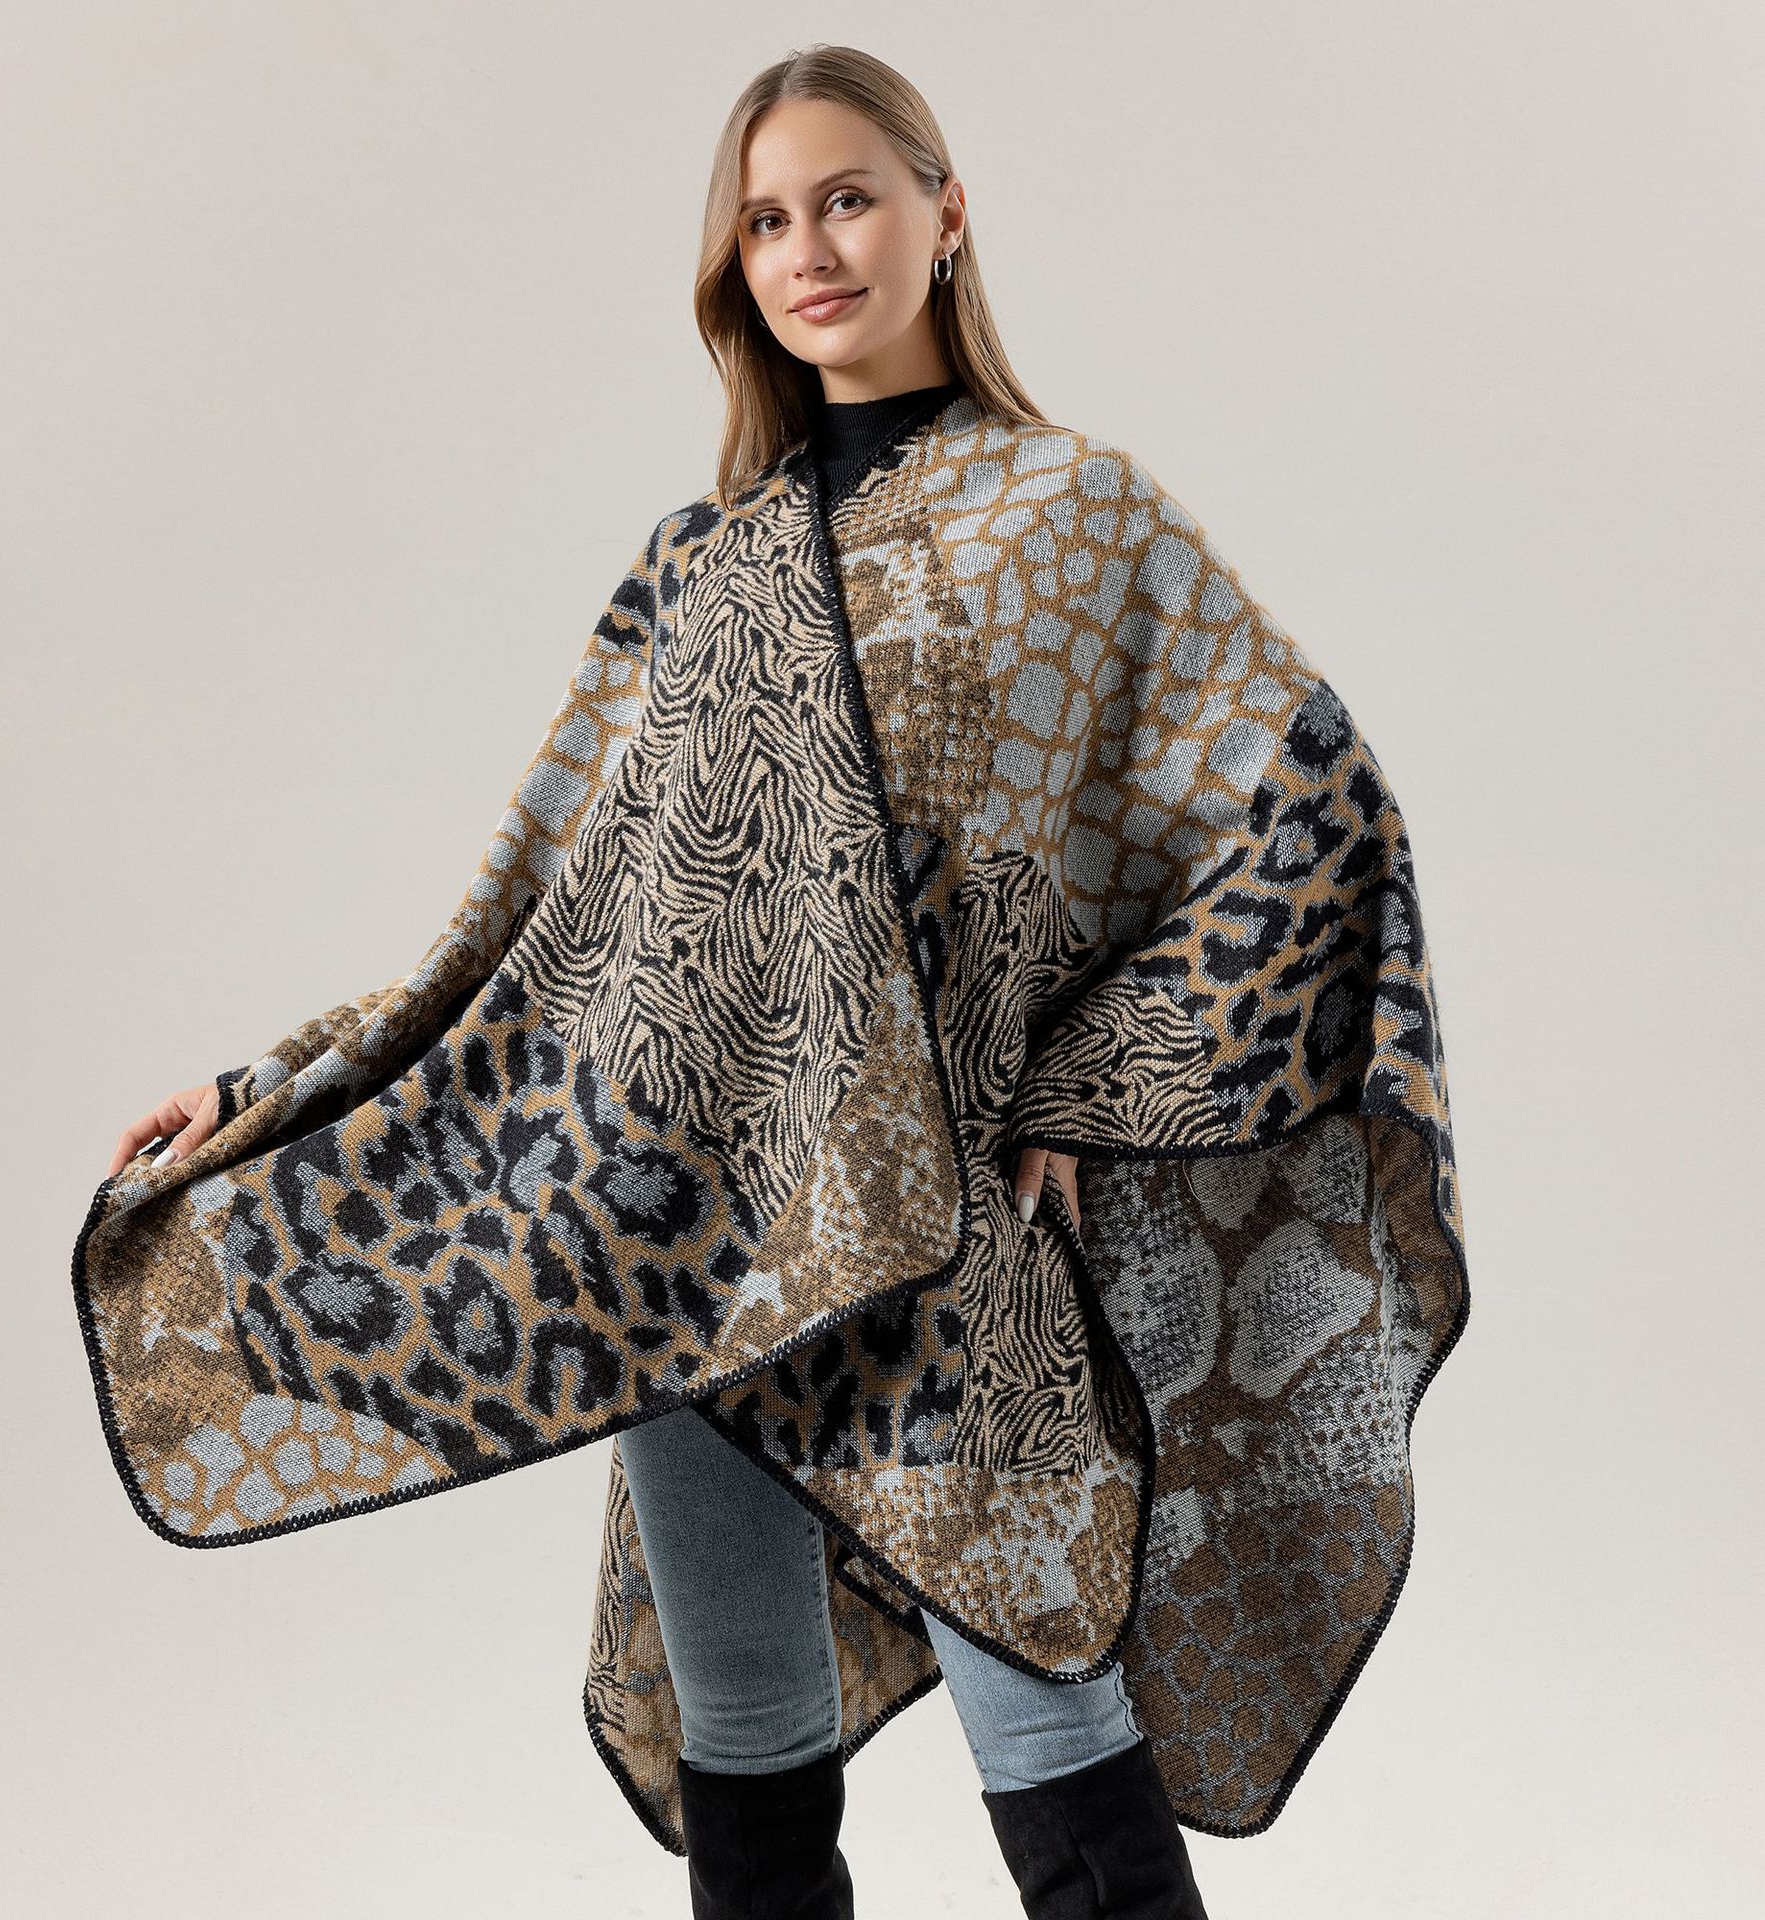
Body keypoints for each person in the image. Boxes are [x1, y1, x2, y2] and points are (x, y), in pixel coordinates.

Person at [97, 41, 1467, 1920]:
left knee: (1052, 1724)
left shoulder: (1077, 517)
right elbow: (526, 927)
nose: (809, 250)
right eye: (765, 221)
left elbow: (1311, 815)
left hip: (948, 1244)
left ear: (944, 213)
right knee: (748, 1751)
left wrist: (1089, 1087)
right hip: (695, 1250)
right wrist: (269, 1091)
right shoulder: (698, 570)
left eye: (846, 200)